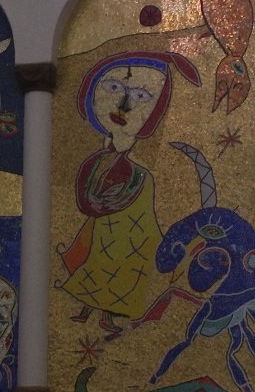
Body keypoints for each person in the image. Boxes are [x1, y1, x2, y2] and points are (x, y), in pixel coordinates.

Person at [58, 50, 200, 337]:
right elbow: (89, 198)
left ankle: (106, 314)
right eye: (114, 87)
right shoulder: (98, 161)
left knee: (121, 267)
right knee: (100, 264)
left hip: (127, 240)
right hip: (103, 235)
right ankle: (90, 310)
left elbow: (143, 217)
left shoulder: (141, 176)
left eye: (141, 96)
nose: (124, 105)